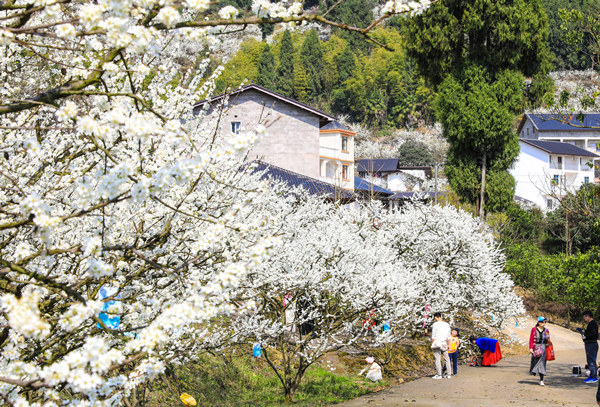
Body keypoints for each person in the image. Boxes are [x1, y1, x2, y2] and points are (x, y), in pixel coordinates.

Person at [529, 316, 550, 386]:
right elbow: (531, 339)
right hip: (536, 347)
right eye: (542, 322)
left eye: (544, 322)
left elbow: (548, 340)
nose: (543, 323)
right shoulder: (534, 330)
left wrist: (548, 340)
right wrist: (531, 348)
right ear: (538, 322)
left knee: (542, 363)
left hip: (543, 348)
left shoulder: (546, 330)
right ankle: (534, 371)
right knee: (535, 362)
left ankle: (541, 379)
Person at [431, 312, 452, 379]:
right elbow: (448, 336)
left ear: (436, 317)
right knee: (447, 359)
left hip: (437, 342)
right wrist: (449, 344)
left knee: (437, 359)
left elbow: (433, 335)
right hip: (444, 343)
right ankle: (449, 374)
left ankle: (439, 374)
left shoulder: (435, 324)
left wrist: (432, 343)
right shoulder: (446, 324)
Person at [581, 310, 599, 384]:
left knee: (591, 361)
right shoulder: (591, 324)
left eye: (585, 317)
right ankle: (592, 375)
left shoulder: (593, 323)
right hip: (589, 343)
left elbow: (593, 334)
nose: (584, 319)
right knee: (589, 360)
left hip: (591, 344)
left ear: (587, 316)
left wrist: (585, 336)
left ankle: (593, 377)